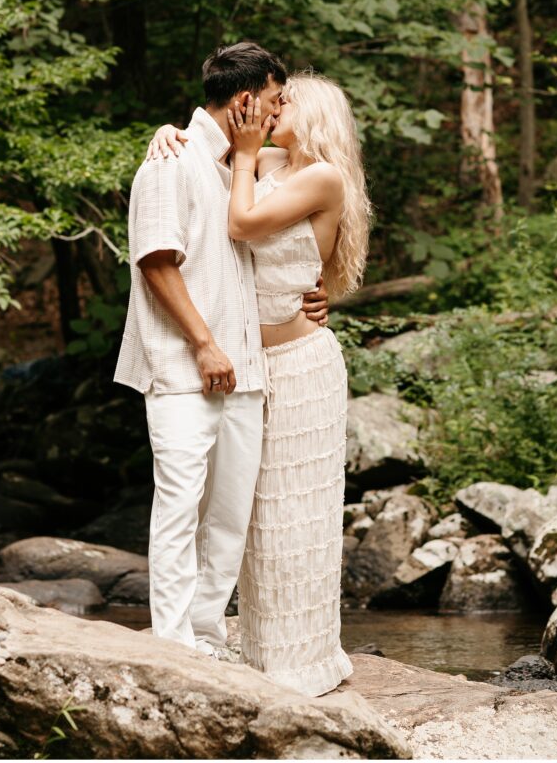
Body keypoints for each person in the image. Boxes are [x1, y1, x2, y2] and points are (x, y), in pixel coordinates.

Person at [151, 68, 373, 697]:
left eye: (287, 99)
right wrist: (168, 133)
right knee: (249, 516)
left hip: (303, 371)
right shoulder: (269, 160)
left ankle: (302, 663)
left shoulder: (319, 176)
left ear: (318, 114)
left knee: (296, 517)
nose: (274, 107)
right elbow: (205, 155)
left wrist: (246, 155)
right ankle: (256, 652)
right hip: (250, 365)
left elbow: (242, 225)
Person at [113, 42, 329, 660]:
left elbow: (317, 217)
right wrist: (205, 345)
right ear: (245, 100)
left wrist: (317, 297)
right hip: (186, 370)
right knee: (180, 506)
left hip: (249, 372)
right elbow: (156, 262)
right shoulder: (170, 164)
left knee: (229, 516)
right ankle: (174, 645)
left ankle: (207, 636)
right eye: (275, 98)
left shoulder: (250, 166)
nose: (280, 108)